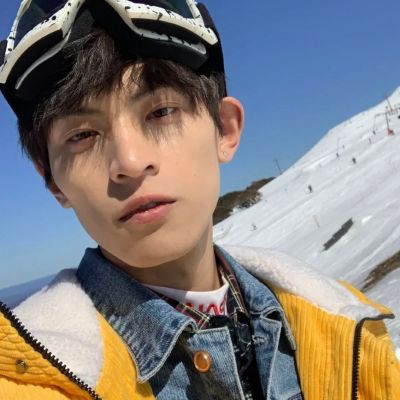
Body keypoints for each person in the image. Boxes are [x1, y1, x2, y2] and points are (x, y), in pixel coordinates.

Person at [0, 1, 399, 399]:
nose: (130, 163)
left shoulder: (349, 329)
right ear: (53, 181)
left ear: (224, 129)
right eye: (82, 136)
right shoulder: (31, 383)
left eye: (161, 112)